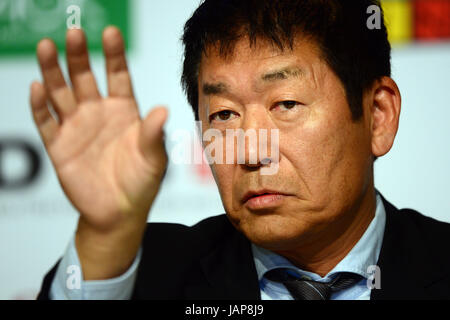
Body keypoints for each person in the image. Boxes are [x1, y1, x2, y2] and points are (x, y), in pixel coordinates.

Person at [33, 0, 450, 300]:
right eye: (225, 115)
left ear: (378, 115)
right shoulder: (146, 275)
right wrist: (105, 235)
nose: (250, 151)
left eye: (286, 104)